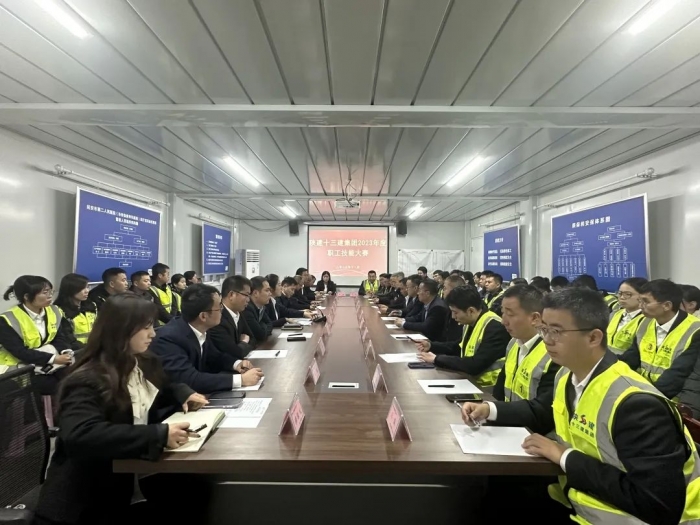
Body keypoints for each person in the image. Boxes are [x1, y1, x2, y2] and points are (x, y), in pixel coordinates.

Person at [461, 288, 700, 525]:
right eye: (544, 329)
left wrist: (564, 456)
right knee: (485, 498)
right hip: (579, 498)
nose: (547, 340)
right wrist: (490, 410)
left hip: (619, 516)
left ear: (593, 338)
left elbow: (656, 504)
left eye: (556, 331)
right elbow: (543, 412)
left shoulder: (636, 404)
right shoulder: (567, 376)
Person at [32, 293, 209, 525]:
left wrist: (183, 393)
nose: (153, 334)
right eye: (146, 327)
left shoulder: (141, 361)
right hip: (89, 499)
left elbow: (164, 386)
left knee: (197, 491)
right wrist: (158, 434)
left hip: (126, 481)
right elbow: (81, 435)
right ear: (122, 329)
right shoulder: (87, 379)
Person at [151, 284, 263, 394]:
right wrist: (241, 380)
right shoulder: (169, 339)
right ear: (203, 316)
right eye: (219, 307)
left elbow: (214, 357)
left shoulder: (200, 328)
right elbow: (190, 379)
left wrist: (236, 364)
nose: (222, 310)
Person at [619, 279, 700, 400]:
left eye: (645, 302)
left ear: (667, 305)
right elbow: (630, 358)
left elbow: (678, 375)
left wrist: (646, 398)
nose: (640, 306)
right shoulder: (645, 323)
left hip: (673, 398)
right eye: (640, 301)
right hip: (644, 391)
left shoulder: (695, 330)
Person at [417, 286, 509, 386]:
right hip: (471, 381)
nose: (453, 316)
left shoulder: (495, 327)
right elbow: (458, 346)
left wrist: (437, 359)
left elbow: (475, 364)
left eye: (455, 312)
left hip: (488, 387)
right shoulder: (471, 322)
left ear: (471, 311)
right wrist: (431, 346)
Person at [0, 275, 74, 395]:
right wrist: (53, 359)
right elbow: (20, 352)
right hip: (17, 367)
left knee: (74, 378)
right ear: (27, 297)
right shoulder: (7, 319)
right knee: (52, 386)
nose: (50, 296)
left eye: (51, 291)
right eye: (45, 292)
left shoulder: (54, 311)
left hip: (43, 362)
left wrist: (65, 351)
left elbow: (59, 337)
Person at [491, 285, 559, 404]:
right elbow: (500, 389)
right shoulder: (513, 343)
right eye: (503, 313)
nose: (503, 321)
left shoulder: (552, 354)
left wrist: (494, 410)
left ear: (534, 318)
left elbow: (543, 408)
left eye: (510, 314)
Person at [53, 273, 98, 350]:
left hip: (94, 348)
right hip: (76, 350)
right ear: (71, 289)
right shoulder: (59, 310)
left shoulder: (92, 305)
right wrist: (87, 349)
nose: (87, 291)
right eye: (82, 288)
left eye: (87, 287)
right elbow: (67, 338)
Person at [607, 277, 647, 355]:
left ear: (642, 296)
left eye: (628, 294)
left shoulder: (646, 320)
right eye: (620, 293)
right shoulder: (614, 314)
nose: (622, 297)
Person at [243, 276, 274, 343]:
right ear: (255, 293)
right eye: (267, 290)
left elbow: (270, 323)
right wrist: (263, 324)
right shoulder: (247, 309)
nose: (270, 294)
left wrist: (261, 325)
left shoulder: (261, 307)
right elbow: (261, 335)